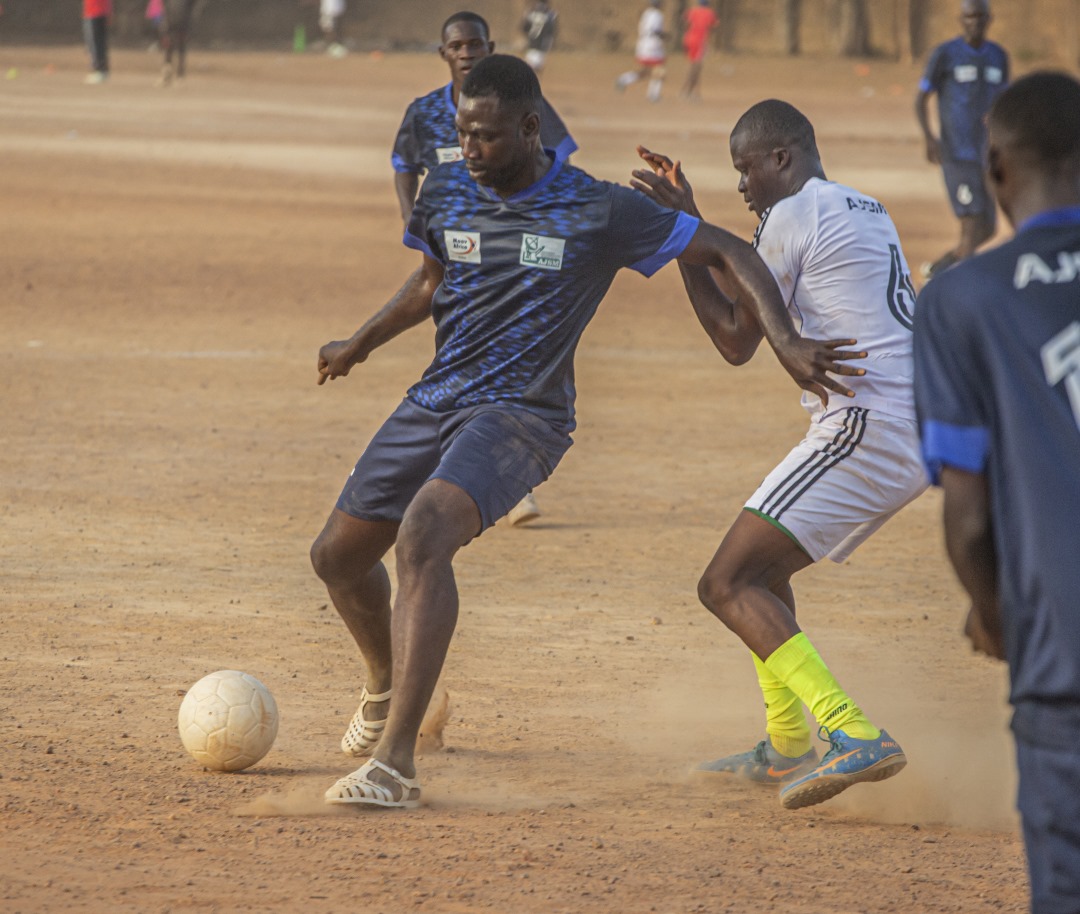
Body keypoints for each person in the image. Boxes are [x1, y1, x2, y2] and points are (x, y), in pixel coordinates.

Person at [312, 55, 866, 808]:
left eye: (484, 137)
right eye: (463, 135)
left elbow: (727, 249)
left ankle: (395, 764)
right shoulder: (446, 188)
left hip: (522, 414)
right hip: (436, 398)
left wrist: (787, 344)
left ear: (531, 128)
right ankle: (384, 688)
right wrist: (359, 342)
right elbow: (433, 280)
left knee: (422, 536)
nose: (468, 151)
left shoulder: (598, 210)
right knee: (338, 559)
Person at [631, 98, 926, 809]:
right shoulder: (864, 207)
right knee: (761, 573)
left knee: (724, 583)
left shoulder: (794, 216)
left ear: (782, 159)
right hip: (904, 421)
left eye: (747, 169)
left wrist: (681, 240)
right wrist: (696, 227)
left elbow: (736, 338)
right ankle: (786, 744)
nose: (743, 186)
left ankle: (853, 732)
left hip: (867, 425)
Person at [913, 71, 1080, 914]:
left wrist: (993, 617)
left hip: (1063, 660)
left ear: (997, 168)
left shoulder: (961, 299)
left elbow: (969, 518)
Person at [392, 11, 578, 528]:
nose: (468, 52)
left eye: (477, 44)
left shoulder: (517, 103)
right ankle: (466, 462)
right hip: (456, 251)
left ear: (490, 47)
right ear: (444, 54)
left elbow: (558, 158)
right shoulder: (425, 113)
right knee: (461, 351)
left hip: (515, 253)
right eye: (458, 45)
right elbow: (404, 167)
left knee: (514, 349)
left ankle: (506, 480)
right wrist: (416, 225)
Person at [915, 0, 1008, 280]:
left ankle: (936, 272)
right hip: (956, 154)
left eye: (980, 16)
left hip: (986, 155)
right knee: (970, 225)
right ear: (961, 19)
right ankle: (962, 292)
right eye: (969, 17)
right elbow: (921, 99)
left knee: (988, 226)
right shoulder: (946, 54)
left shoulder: (998, 56)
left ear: (989, 19)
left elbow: (1004, 102)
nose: (975, 22)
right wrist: (930, 138)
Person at [615, 0, 668, 103]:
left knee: (646, 71)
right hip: (653, 45)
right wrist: (664, 36)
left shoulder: (646, 13)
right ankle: (653, 94)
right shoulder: (657, 15)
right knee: (660, 69)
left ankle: (623, 79)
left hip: (643, 44)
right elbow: (655, 31)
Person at [680, 0, 719, 101]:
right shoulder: (709, 13)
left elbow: (685, 21)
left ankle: (687, 90)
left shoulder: (692, 11)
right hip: (700, 41)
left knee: (693, 65)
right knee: (697, 67)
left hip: (689, 39)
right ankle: (692, 92)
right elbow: (715, 26)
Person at [157, 0, 199, 87]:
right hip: (171, 22)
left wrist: (189, 24)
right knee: (169, 47)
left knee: (181, 47)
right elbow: (165, 8)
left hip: (183, 22)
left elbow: (192, 8)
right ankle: (167, 74)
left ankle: (180, 75)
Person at [520, 0, 558, 74]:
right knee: (536, 69)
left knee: (530, 68)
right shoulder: (551, 15)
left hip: (531, 43)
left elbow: (524, 28)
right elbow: (552, 30)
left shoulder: (530, 13)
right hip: (541, 44)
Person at [82, 0, 111, 85]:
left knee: (95, 42)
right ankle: (101, 69)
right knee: (97, 42)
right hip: (96, 12)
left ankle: (99, 69)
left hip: (95, 12)